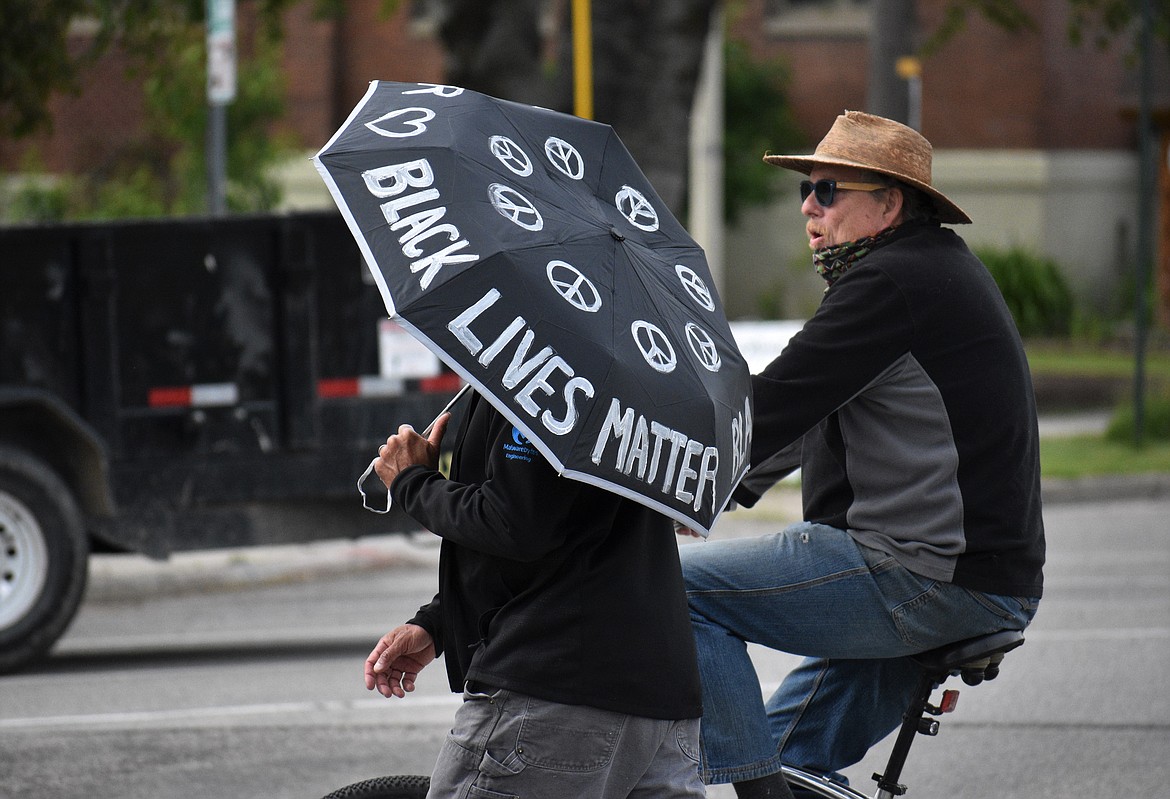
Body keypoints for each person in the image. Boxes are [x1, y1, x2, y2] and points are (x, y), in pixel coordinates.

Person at [678, 110, 1045, 799]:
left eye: (828, 190)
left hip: (923, 574)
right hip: (974, 576)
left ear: (890, 204)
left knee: (679, 592)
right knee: (787, 758)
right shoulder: (924, 272)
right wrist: (699, 494)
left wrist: (656, 479)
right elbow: (800, 416)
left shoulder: (892, 283)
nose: (809, 208)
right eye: (804, 191)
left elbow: (770, 406)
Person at [364, 388, 705, 798]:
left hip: (555, 694)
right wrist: (438, 623)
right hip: (661, 702)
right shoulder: (632, 384)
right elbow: (572, 527)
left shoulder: (540, 374)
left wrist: (412, 481)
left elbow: (516, 524)